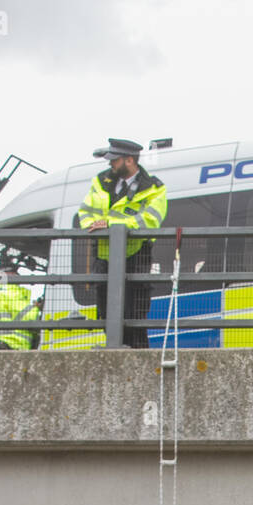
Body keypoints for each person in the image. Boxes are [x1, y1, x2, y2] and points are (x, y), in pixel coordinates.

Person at [77, 137, 168, 347]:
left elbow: (149, 220)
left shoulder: (153, 188)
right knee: (105, 313)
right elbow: (86, 213)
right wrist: (93, 226)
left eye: (114, 160)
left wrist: (109, 223)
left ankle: (135, 357)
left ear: (129, 160)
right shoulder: (100, 181)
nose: (110, 164)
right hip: (104, 258)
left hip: (136, 258)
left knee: (134, 316)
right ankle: (114, 350)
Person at [0, 258, 41, 351]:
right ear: (6, 275)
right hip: (10, 344)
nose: (17, 275)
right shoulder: (11, 291)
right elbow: (29, 318)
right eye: (14, 272)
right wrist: (37, 308)